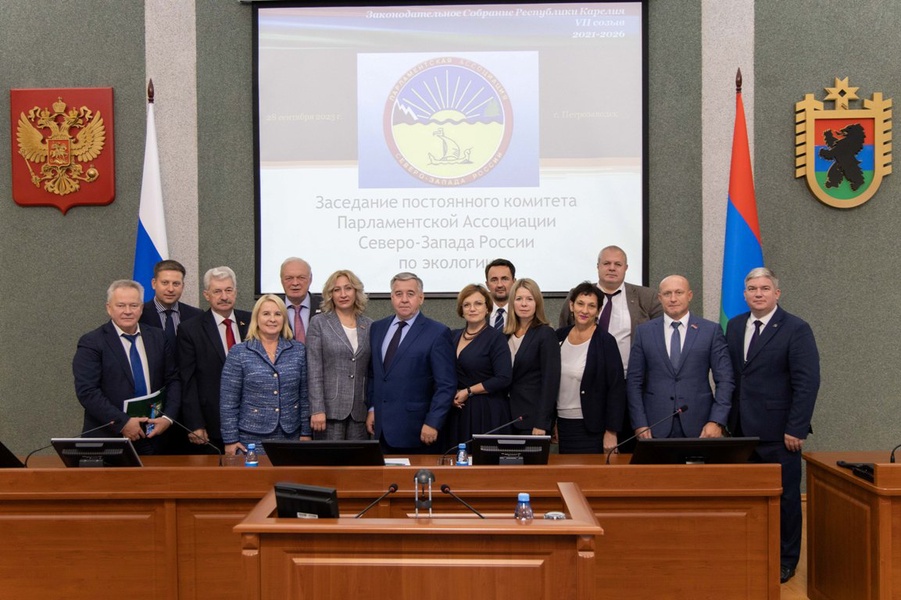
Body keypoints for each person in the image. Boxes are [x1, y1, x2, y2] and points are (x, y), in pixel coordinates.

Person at [725, 267, 820, 584]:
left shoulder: (796, 328)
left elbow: (807, 383)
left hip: (781, 434)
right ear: (744, 294)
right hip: (741, 432)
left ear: (777, 293)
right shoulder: (736, 326)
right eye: (752, 288)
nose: (758, 293)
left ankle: (786, 560)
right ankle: (752, 553)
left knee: (787, 500)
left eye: (765, 288)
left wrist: (796, 427)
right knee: (746, 499)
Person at [558, 245, 662, 451]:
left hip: (629, 385)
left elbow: (660, 336)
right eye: (606, 263)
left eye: (618, 264)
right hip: (584, 389)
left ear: (626, 268)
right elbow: (565, 329)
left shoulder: (646, 297)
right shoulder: (576, 296)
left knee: (626, 451)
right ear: (598, 267)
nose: (612, 268)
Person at [72, 280, 180, 454]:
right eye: (121, 305)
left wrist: (168, 418)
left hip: (154, 437)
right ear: (109, 308)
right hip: (110, 438)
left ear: (141, 308)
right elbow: (87, 391)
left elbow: (173, 380)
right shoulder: (92, 342)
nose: (128, 311)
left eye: (134, 305)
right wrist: (123, 423)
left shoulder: (158, 337)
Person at [627, 275, 733, 438]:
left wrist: (716, 421)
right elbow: (634, 381)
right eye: (667, 294)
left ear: (689, 296)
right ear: (660, 298)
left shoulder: (710, 331)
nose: (673, 299)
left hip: (701, 426)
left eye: (679, 292)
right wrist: (639, 423)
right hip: (654, 425)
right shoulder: (644, 332)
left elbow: (725, 380)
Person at [366, 272, 456, 453]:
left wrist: (433, 422)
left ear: (421, 298)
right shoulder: (377, 328)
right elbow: (375, 375)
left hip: (417, 431)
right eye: (398, 294)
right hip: (381, 430)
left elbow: (446, 384)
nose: (404, 300)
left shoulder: (437, 332)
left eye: (410, 294)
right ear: (391, 297)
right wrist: (372, 408)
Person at [220, 294, 311, 455]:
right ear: (256, 318)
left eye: (278, 314)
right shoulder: (239, 352)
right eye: (266, 314)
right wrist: (230, 440)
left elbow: (303, 396)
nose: (272, 319)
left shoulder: (297, 350)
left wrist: (306, 433)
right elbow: (228, 402)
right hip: (250, 438)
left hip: (291, 435)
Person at [177, 267, 251, 452]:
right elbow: (187, 380)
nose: (224, 296)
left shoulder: (252, 322)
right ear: (206, 295)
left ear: (235, 292)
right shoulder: (190, 329)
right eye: (217, 291)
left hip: (252, 420)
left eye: (228, 290)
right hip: (211, 423)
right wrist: (195, 423)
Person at [554, 282, 626, 454]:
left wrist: (611, 431)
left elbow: (616, 388)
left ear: (599, 310)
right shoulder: (558, 336)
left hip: (592, 428)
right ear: (571, 305)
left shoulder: (605, 342)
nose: (584, 310)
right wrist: (552, 422)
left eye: (591, 306)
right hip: (563, 425)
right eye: (580, 304)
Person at [306, 270, 373, 440]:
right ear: (330, 295)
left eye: (348, 288)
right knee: (329, 465)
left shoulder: (370, 325)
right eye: (337, 290)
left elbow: (372, 372)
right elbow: (314, 370)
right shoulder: (319, 323)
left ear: (356, 292)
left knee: (357, 465)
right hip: (328, 413)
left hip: (359, 412)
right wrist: (317, 409)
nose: (343, 294)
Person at [443, 284, 513, 446]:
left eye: (478, 303)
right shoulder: (452, 336)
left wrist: (469, 391)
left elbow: (504, 378)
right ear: (461, 310)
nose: (472, 309)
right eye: (467, 305)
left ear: (487, 308)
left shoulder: (496, 338)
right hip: (456, 411)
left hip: (486, 412)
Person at [504, 278, 560, 436]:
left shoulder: (545, 334)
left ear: (537, 303)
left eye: (529, 299)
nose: (524, 304)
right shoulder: (504, 335)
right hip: (505, 417)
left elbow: (550, 382)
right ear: (512, 302)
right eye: (519, 299)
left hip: (532, 420)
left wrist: (542, 423)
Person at [138, 259, 202, 346]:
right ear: (154, 284)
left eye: (176, 284)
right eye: (165, 283)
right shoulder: (139, 314)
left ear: (182, 286)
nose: (170, 289)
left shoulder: (196, 316)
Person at [280, 257, 322, 344]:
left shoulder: (326, 306)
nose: (295, 283)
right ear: (281, 280)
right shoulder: (273, 308)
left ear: (310, 279)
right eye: (289, 278)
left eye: (301, 277)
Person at [484, 258, 516, 331]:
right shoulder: (479, 315)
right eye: (494, 280)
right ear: (487, 285)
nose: (499, 285)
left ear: (514, 282)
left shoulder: (522, 313)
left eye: (504, 279)